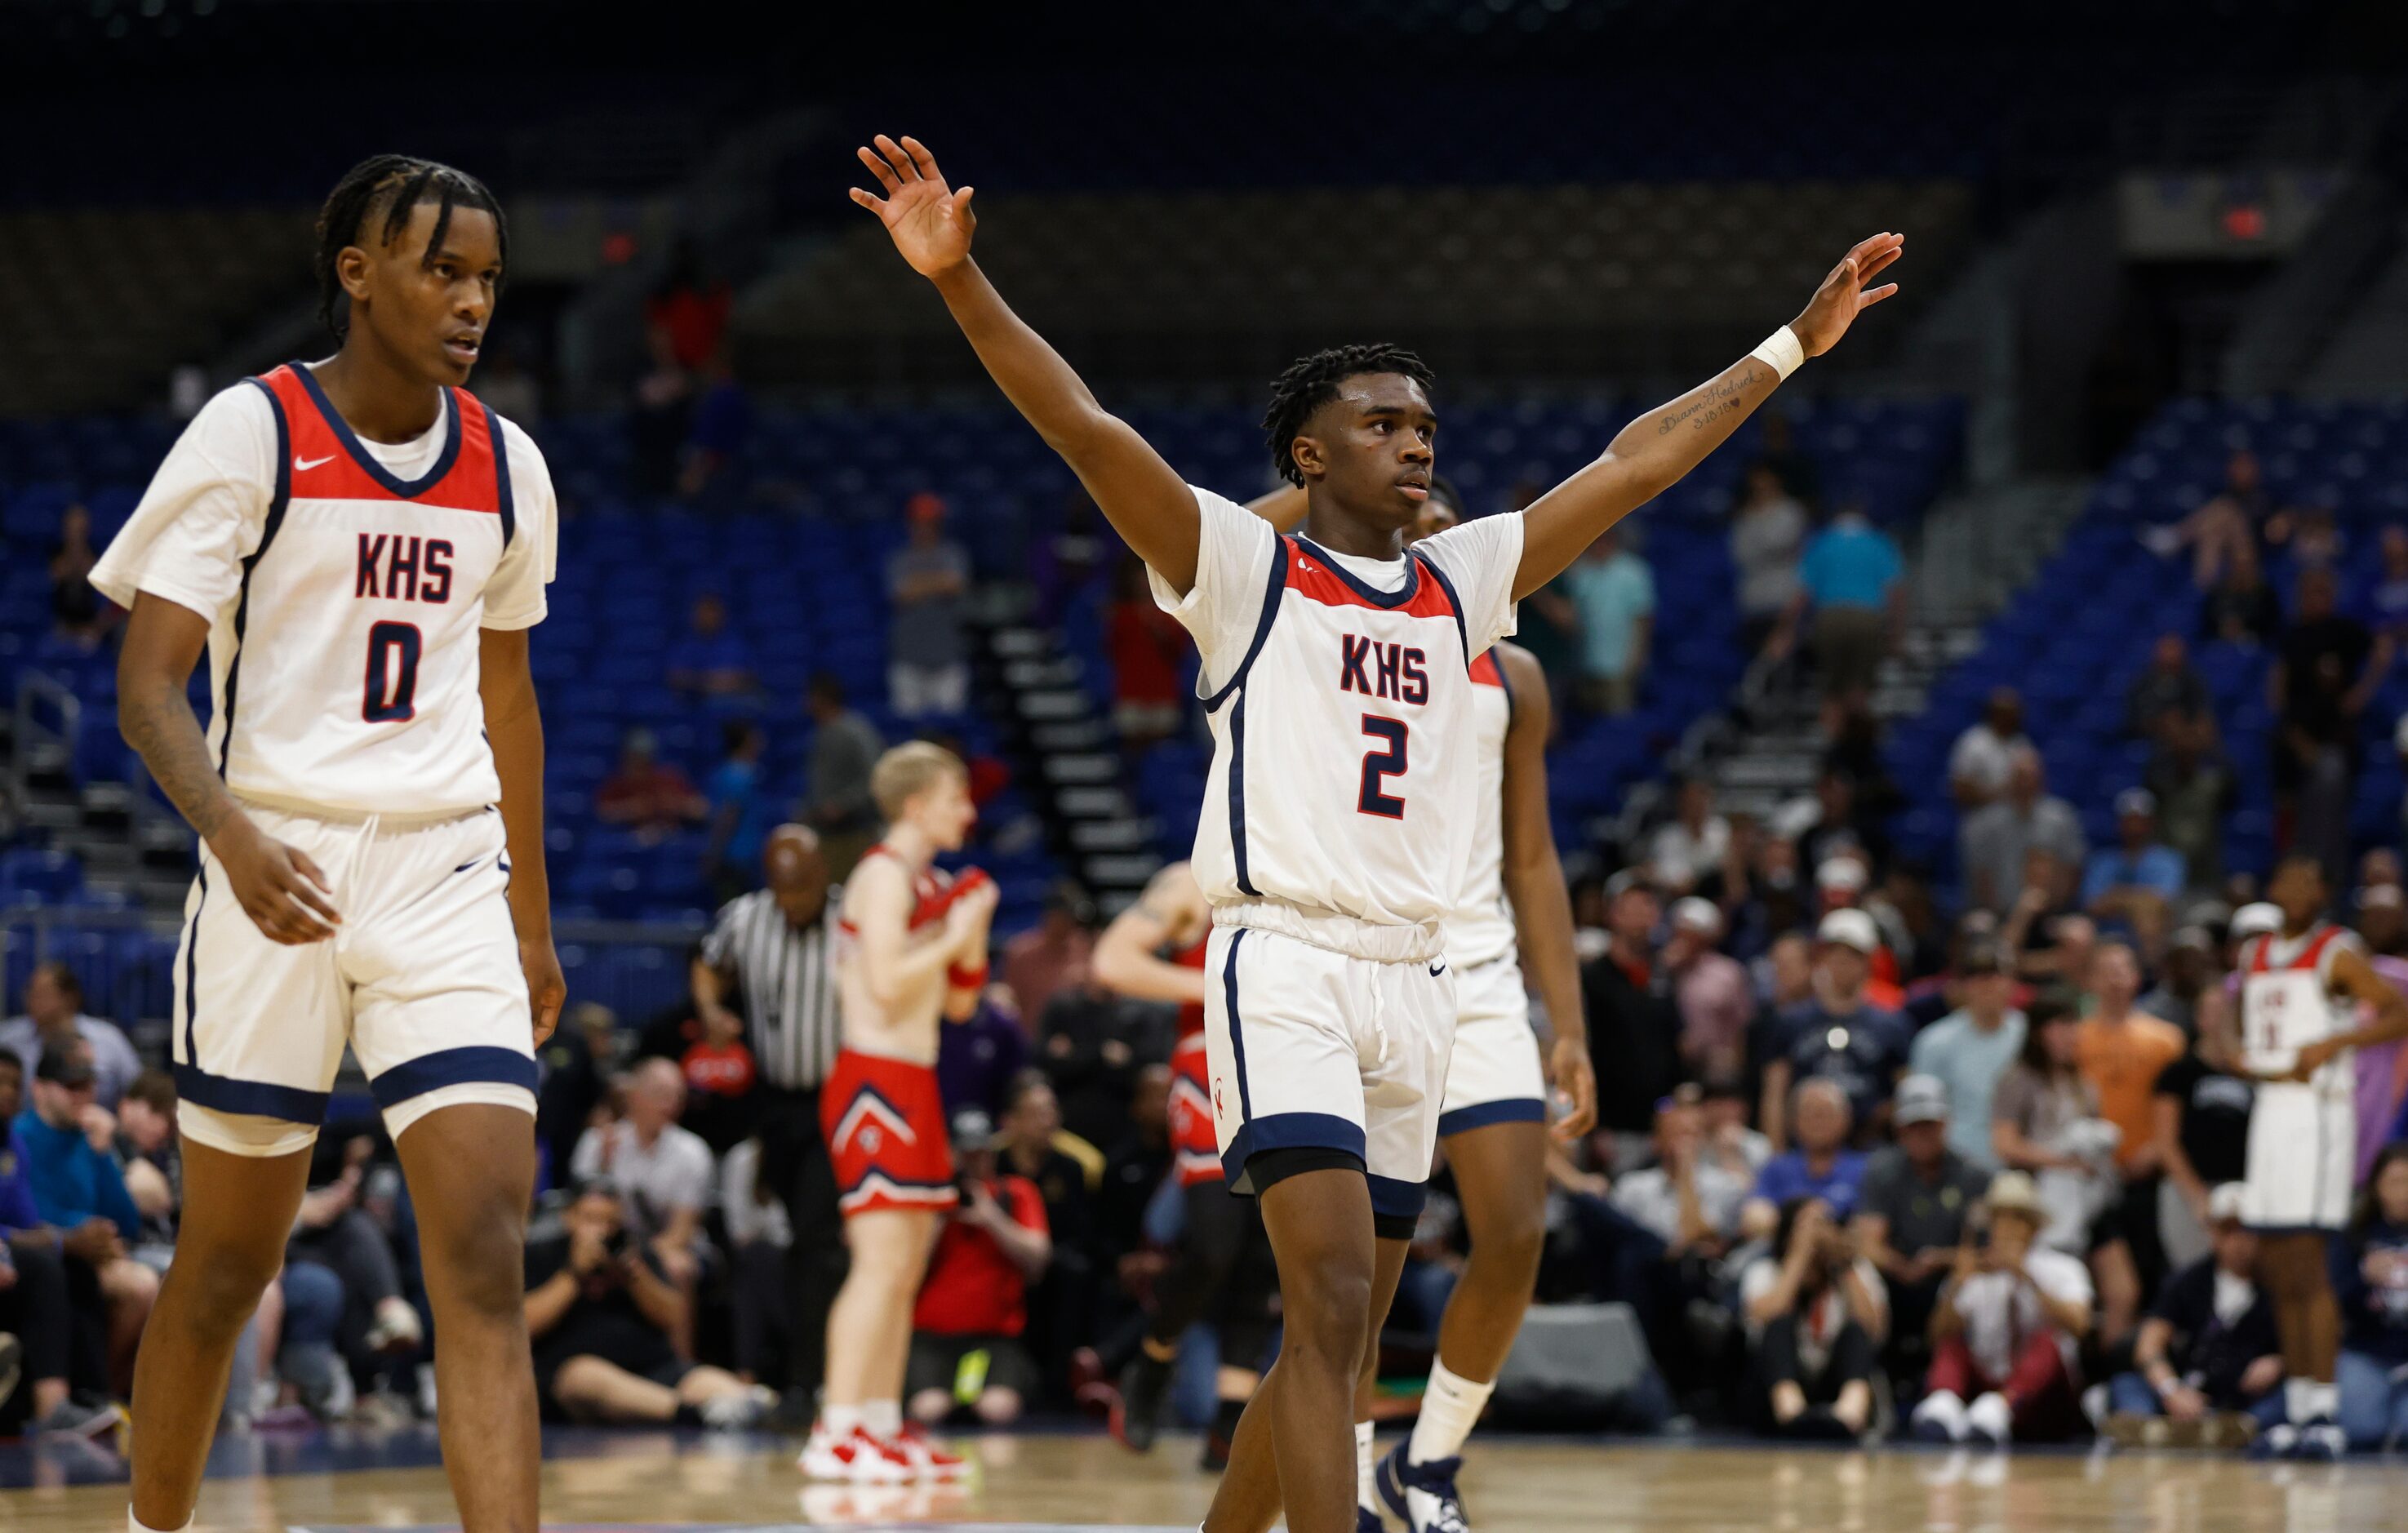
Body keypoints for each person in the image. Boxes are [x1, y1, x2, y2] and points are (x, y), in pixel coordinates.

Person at [849, 130, 1898, 1533]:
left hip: (1421, 980)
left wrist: (1789, 346)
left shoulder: (1464, 581)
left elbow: (1637, 459)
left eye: (1427, 428)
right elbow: (1087, 428)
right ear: (1310, 450)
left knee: (1332, 1341)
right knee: (1331, 1299)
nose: (1417, 442)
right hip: (1282, 957)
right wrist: (962, 283)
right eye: (1386, 423)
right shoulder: (1241, 565)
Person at [97, 154, 563, 1533]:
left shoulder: (506, 463)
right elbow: (145, 685)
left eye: (486, 275)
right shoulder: (251, 433)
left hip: (441, 871)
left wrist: (530, 918)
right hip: (275, 861)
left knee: (480, 1251)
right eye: (441, 269)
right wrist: (232, 838)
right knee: (225, 1265)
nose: (472, 299)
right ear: (357, 274)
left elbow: (509, 695)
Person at [803, 743, 997, 1482]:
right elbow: (885, 986)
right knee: (879, 1264)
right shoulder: (882, 876)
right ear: (917, 804)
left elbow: (959, 1001)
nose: (968, 812)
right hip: (873, 1080)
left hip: (914, 1080)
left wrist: (970, 928)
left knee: (906, 1267)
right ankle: (836, 1428)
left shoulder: (931, 883)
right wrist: (950, 933)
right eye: (957, 798)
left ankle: (878, 1424)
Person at [1092, 861, 1280, 1466]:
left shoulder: (1309, 858)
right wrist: (1215, 986)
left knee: (1263, 1258)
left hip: (1292, 1063)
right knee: (1215, 1246)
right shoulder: (1194, 877)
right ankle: (1152, 1361)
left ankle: (1228, 1423)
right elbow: (1113, 962)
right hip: (1213, 1064)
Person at [2232, 852, 2408, 1458]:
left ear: (2321, 893)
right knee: (2277, 1265)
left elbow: (2398, 1011)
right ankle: (2299, 1407)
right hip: (2270, 1109)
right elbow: (2224, 1022)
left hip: (2318, 1111)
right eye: (2285, 876)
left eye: (2306, 879)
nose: (2292, 886)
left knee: (2309, 1263)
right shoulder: (2253, 954)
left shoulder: (2335, 951)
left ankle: (2326, 1412)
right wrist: (2231, 1051)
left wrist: (2336, 1040)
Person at [522, 1175, 772, 1429]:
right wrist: (574, 1274)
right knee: (585, 1377)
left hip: (652, 1367)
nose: (602, 1231)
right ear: (570, 1217)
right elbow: (526, 1323)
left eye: (611, 1222)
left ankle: (752, 1406)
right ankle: (693, 1413)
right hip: (576, 1375)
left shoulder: (636, 1253)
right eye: (591, 1219)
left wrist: (634, 1276)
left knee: (715, 1385)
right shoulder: (542, 1255)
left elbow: (672, 1317)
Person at [1991, 999, 2139, 1342]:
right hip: (2039, 1202)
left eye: (2074, 1026)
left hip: (2087, 1195)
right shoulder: (2018, 1080)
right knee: (2047, 1294)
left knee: (2122, 1291)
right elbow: (2006, 1144)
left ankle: (2107, 1376)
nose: (2070, 1035)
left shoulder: (2082, 1085)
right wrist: (2062, 1162)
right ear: (2041, 1033)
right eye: (2061, 1026)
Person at [15, 1047, 160, 1395]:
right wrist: (77, 1234)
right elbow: (28, 1215)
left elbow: (127, 1221)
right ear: (40, 1089)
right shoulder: (21, 1136)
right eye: (72, 1086)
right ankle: (98, 1393)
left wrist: (103, 1152)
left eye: (89, 1087)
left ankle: (113, 1393)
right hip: (51, 1251)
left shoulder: (90, 1139)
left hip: (102, 1252)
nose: (84, 1096)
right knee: (140, 1289)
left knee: (161, 1289)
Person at [1912, 1170, 2093, 1446]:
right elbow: (1936, 1337)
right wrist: (1956, 1287)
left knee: (2047, 1343)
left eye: (2017, 1218)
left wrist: (2026, 1277)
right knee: (1953, 1345)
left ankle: (2000, 1407)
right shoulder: (1974, 1272)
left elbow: (2080, 1327)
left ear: (2034, 1227)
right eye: (2000, 1217)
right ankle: (1943, 1405)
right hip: (1984, 1386)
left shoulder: (2063, 1268)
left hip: (2045, 1401)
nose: (2006, 1227)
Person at [2104, 1184, 2284, 1449]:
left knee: (2286, 1400)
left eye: (2247, 1231)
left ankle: (2236, 1430)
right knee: (2127, 1385)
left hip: (2244, 1396)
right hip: (2186, 1388)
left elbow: (2306, 1345)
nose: (2239, 1242)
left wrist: (2280, 1362)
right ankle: (2155, 1427)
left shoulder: (2280, 1287)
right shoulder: (2187, 1282)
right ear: (2212, 1232)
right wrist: (2171, 1390)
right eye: (2227, 1231)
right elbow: (2148, 1345)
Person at [905, 1109, 1051, 1428]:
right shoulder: (929, 1201)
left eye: (980, 1155)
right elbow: (904, 1271)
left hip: (993, 1339)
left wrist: (992, 1219)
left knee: (997, 1408)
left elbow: (1039, 1261)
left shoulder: (1016, 1193)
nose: (973, 1164)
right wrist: (941, 1218)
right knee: (928, 1408)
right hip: (932, 1339)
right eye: (965, 1156)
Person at [0, 1055, 120, 1437]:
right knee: (44, 1265)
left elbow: (29, 1220)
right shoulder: (29, 1134)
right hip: (10, 1254)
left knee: (75, 1269)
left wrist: (68, 1239)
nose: (8, 1092)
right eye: (1, 1081)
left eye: (13, 1084)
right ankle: (51, 1406)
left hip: (12, 1251)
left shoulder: (10, 1141)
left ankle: (91, 1397)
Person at [1850, 1075, 1988, 1384]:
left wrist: (1942, 1259)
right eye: (1914, 1126)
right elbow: (1868, 1242)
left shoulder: (1974, 1176)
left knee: (1971, 1283)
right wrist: (1903, 1267)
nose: (1923, 1134)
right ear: (1900, 1130)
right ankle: (1866, 1379)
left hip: (1950, 1275)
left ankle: (1951, 1379)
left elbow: (1982, 1248)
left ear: (1945, 1124)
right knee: (1859, 1274)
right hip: (1896, 1273)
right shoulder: (1882, 1170)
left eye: (1930, 1124)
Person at [2076, 942, 2186, 1289]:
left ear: (2137, 978)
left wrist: (2156, 1149)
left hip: (2149, 1171)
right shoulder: (2075, 1040)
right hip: (2092, 1175)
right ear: (2089, 981)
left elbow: (2180, 1106)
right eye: (2105, 971)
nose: (2114, 980)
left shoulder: (2166, 1040)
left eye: (2121, 970)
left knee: (2151, 1266)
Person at [2272, 565, 2388, 884]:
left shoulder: (2344, 631)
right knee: (2293, 819)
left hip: (2334, 743)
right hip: (2295, 743)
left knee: (2328, 797)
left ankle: (2324, 882)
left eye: (2322, 591)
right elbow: (2278, 691)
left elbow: (2383, 646)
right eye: (2310, 592)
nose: (2315, 599)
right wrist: (2296, 739)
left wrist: (2361, 693)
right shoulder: (2293, 635)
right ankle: (2295, 877)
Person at [569, 1059, 713, 1308]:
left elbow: (680, 1234)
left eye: (678, 1097)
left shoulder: (693, 1152)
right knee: (577, 1259)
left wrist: (633, 1260)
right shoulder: (597, 1142)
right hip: (607, 1245)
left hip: (669, 1248)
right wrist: (603, 1167)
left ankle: (679, 1348)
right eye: (661, 1095)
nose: (671, 1105)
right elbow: (578, 1214)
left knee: (676, 1266)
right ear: (635, 1096)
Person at [1739, 1197, 1886, 1439]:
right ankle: (1793, 1413)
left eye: (1826, 1223)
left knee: (1856, 1333)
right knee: (1779, 1325)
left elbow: (1874, 1329)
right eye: (1809, 1225)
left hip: (1835, 1382)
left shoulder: (1857, 1271)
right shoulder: (1765, 1271)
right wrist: (1799, 1255)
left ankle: (1849, 1416)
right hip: (1774, 1394)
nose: (1820, 1233)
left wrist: (1843, 1264)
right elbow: (1762, 1320)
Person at [1759, 910, 1908, 1148]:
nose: (1843, 964)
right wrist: (1776, 1153)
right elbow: (1775, 1094)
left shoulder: (1891, 1024)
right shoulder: (1792, 1021)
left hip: (1869, 1149)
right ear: (1823, 958)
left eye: (1853, 956)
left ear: (1868, 962)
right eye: (1835, 955)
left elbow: (1904, 1094)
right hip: (1804, 1152)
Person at [1584, 872, 1686, 1151]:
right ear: (1613, 914)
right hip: (1613, 1129)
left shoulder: (1662, 976)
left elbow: (1673, 1045)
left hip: (1661, 1126)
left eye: (1649, 906)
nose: (1643, 915)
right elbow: (1586, 1050)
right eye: (1634, 907)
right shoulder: (1592, 979)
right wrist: (1596, 1125)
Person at [2150, 1011, 2253, 1273]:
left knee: (2241, 1271)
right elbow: (2165, 1142)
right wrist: (2196, 1195)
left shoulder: (2251, 1073)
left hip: (2241, 1188)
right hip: (2191, 1187)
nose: (2221, 1018)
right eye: (2213, 1009)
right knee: (2194, 1270)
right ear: (2200, 1018)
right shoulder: (2179, 1072)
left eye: (2226, 1010)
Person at [1907, 941, 2025, 1170]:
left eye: (1995, 976)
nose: (1987, 985)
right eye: (1977, 977)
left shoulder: (2029, 1034)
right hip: (1957, 1167)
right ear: (1962, 986)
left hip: (2023, 1163)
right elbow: (1920, 1113)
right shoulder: (1934, 1041)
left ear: (2011, 983)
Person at [1797, 503, 1902, 723]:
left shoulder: (1822, 542)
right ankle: (1855, 744)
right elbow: (1896, 593)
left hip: (1830, 618)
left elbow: (1803, 593)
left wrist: (1788, 630)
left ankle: (1833, 741)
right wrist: (1896, 636)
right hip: (1867, 617)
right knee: (1860, 687)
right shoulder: (1879, 542)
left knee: (1832, 688)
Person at [2336, 1143, 2408, 1451]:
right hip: (2367, 1351)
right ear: (2377, 1187)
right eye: (2395, 1182)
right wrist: (2363, 1278)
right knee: (2362, 1432)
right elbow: (2336, 1304)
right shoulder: (2354, 1235)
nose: (2404, 1192)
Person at [1960, 745, 2086, 916]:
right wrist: (1996, 913)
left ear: (2041, 779)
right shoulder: (1988, 823)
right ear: (2009, 779)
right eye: (2020, 777)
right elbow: (1981, 874)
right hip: (2000, 912)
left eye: (2030, 777)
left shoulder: (2061, 818)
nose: (2025, 783)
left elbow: (2072, 869)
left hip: (2051, 913)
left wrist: (2056, 907)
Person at [0, 962, 144, 1111]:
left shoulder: (109, 1039)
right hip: (21, 1130)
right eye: (29, 992)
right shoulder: (7, 1039)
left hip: (94, 1125)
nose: (31, 1000)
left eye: (42, 994)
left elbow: (140, 1090)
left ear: (70, 998)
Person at [1744, 1079, 1868, 1237]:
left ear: (1846, 1120)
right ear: (1793, 1121)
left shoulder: (1866, 1169)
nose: (1817, 1122)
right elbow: (1754, 1216)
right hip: (1780, 1250)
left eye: (1825, 1113)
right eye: (1809, 1113)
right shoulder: (1777, 1167)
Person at [887, 491, 973, 719]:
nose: (924, 528)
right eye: (918, 522)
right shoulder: (900, 559)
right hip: (908, 661)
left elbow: (955, 585)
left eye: (929, 523)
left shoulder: (953, 554)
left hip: (948, 659)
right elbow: (901, 594)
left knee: (950, 731)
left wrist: (918, 584)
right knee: (910, 737)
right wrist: (937, 582)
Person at [1561, 525, 1654, 716]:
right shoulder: (1579, 571)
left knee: (1617, 718)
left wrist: (1637, 656)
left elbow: (1643, 618)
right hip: (1583, 661)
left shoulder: (1633, 571)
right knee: (1584, 717)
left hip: (1620, 664)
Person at [800, 673, 886, 878]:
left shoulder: (855, 731)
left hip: (856, 833)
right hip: (827, 833)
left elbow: (877, 776)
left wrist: (844, 804)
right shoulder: (821, 732)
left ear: (822, 698)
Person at [1107, 553, 1193, 749]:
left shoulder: (1174, 614)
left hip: (1163, 692)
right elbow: (1110, 650)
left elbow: (1180, 651)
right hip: (1130, 691)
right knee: (1132, 752)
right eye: (1140, 577)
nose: (1143, 582)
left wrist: (1160, 631)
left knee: (1163, 753)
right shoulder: (1120, 614)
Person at [2145, 709, 2237, 892]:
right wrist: (2168, 742)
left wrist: (2212, 746)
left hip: (2205, 870)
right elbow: (2148, 781)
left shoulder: (2210, 785)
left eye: (2190, 753)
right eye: (2182, 754)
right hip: (2169, 870)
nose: (2186, 756)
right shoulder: (2165, 786)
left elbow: (2233, 781)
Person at [2082, 790, 2186, 950]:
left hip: (2153, 933)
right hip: (2105, 934)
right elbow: (2093, 906)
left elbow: (2162, 902)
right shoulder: (2102, 860)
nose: (2134, 827)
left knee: (2149, 920)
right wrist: (2139, 900)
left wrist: (2117, 896)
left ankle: (2149, 973)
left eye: (2140, 821)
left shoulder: (2169, 860)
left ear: (2152, 823)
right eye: (2129, 820)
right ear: (2119, 823)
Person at [1728, 461, 1807, 662]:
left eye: (1766, 483)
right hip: (1754, 599)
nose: (1761, 488)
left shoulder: (1790, 511)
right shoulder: (1745, 516)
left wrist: (1760, 535)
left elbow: (1782, 543)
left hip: (1783, 596)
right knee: (1757, 657)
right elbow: (1740, 553)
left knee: (1784, 659)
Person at [1666, 897, 1752, 1081]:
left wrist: (1737, 1064)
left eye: (1691, 934)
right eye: (1680, 932)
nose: (1684, 940)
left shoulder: (1727, 973)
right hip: (1670, 1063)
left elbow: (1742, 1025)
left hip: (1716, 1065)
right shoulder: (1662, 969)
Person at [1002, 881, 1097, 1028]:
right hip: (1030, 1037)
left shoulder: (1084, 948)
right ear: (1050, 916)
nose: (1069, 922)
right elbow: (1007, 998)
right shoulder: (1021, 952)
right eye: (1064, 916)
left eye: (1072, 917)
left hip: (1076, 1040)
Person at [594, 727, 706, 842]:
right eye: (635, 756)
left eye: (643, 756)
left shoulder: (669, 778)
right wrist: (631, 809)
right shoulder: (619, 783)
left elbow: (701, 809)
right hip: (633, 841)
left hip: (672, 838)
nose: (639, 761)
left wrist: (678, 805)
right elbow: (603, 813)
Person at [704, 719, 772, 904]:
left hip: (746, 856)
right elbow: (728, 817)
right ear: (745, 742)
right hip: (734, 859)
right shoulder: (738, 775)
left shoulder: (734, 772)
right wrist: (714, 854)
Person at [664, 591, 757, 700]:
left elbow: (747, 678)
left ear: (722, 614)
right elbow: (676, 678)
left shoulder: (737, 646)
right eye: (703, 612)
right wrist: (714, 682)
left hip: (733, 704)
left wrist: (699, 680)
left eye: (712, 612)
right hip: (693, 703)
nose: (708, 617)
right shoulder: (683, 646)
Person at [1646, 777, 1729, 896]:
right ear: (1681, 804)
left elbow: (1728, 869)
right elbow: (1657, 872)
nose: (1696, 806)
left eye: (1700, 800)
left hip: (1716, 895)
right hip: (1674, 897)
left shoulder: (1720, 830)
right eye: (1691, 801)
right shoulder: (1667, 837)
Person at [1948, 689, 2028, 811]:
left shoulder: (2021, 743)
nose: (2012, 718)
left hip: (2015, 818)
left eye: (2014, 713)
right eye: (2005, 713)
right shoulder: (1973, 741)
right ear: (1994, 714)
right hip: (1979, 814)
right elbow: (1960, 788)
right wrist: (1999, 794)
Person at [2126, 633, 2210, 744]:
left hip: (2186, 736)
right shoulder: (2141, 683)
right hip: (2150, 737)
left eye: (2174, 648)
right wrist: (2159, 722)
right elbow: (2131, 718)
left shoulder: (2193, 682)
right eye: (2167, 649)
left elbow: (2201, 713)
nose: (2171, 655)